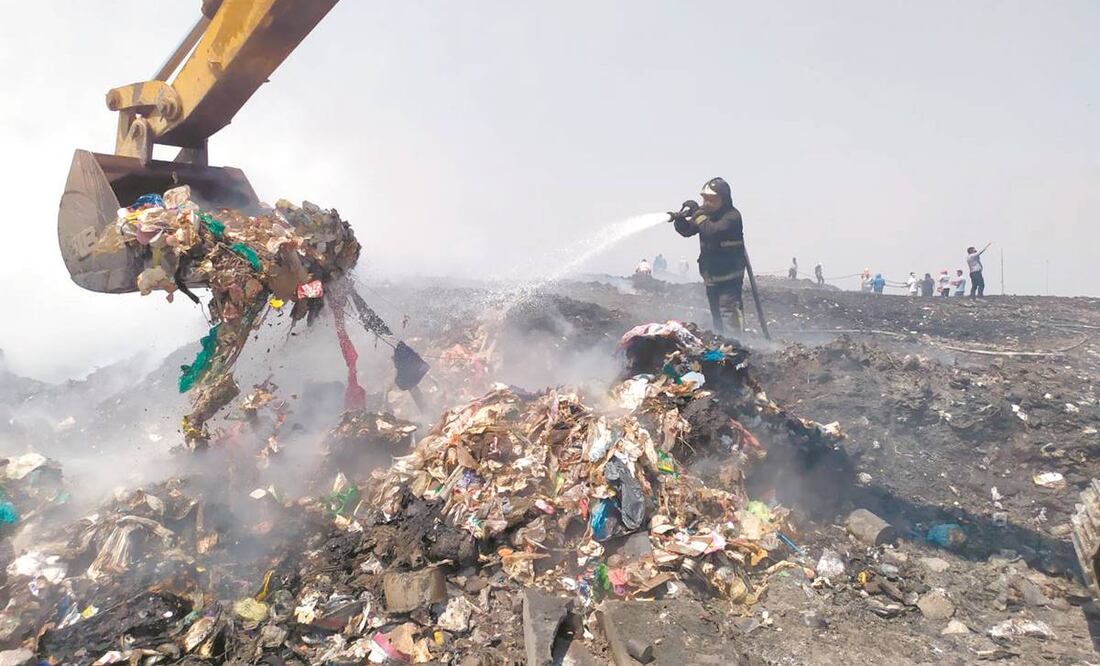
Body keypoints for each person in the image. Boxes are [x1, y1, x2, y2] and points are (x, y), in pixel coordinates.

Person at [672, 177, 746, 333]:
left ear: (723, 199)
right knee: (717, 315)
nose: (706, 203)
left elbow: (712, 231)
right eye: (704, 199)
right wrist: (680, 220)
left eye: (711, 200)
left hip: (729, 279)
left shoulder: (732, 217)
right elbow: (688, 230)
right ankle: (722, 342)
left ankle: (737, 343)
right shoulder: (706, 216)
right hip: (711, 277)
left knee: (729, 313)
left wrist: (697, 213)